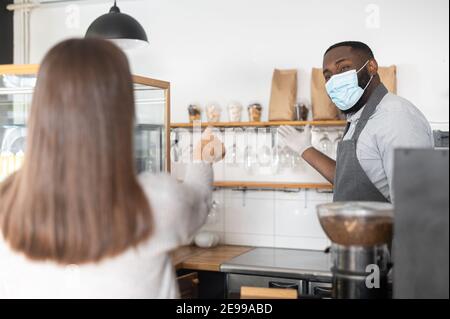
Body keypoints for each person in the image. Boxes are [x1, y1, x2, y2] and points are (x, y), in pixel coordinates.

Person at [0, 38, 224, 298]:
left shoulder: (7, 201)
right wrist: (202, 157)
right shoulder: (153, 202)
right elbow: (198, 202)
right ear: (122, 111)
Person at [279, 41, 433, 202]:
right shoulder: (357, 119)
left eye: (344, 68)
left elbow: (417, 208)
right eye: (328, 76)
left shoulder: (396, 117)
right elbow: (349, 181)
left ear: (372, 66)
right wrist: (305, 149)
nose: (335, 80)